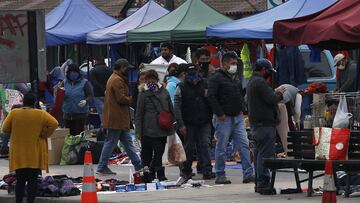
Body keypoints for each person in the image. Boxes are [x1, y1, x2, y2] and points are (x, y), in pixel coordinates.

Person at [2, 93, 58, 203]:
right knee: (32, 180)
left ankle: (18, 201)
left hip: (19, 153)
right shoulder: (41, 114)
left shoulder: (14, 113)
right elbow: (54, 123)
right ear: (35, 103)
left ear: (23, 101)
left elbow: (5, 129)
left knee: (20, 180)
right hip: (34, 153)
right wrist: (44, 133)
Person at [208, 52, 254, 184]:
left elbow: (239, 94)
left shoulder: (235, 77)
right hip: (223, 118)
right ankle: (220, 174)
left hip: (237, 116)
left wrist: (242, 109)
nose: (235, 65)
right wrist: (219, 113)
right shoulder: (216, 78)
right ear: (225, 63)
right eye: (232, 63)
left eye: (235, 63)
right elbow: (211, 96)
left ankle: (248, 174)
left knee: (244, 145)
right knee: (221, 147)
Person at [97, 59, 142, 175]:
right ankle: (102, 167)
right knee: (111, 142)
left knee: (127, 143)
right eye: (127, 68)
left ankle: (138, 165)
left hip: (118, 117)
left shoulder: (114, 78)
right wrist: (133, 99)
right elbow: (121, 98)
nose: (128, 70)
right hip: (116, 117)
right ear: (122, 67)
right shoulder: (117, 80)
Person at [247, 58, 285, 195]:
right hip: (265, 125)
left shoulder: (252, 82)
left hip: (257, 125)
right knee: (264, 155)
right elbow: (272, 99)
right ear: (263, 70)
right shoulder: (260, 82)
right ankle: (263, 184)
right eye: (268, 71)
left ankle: (259, 183)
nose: (269, 73)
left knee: (258, 154)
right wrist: (279, 92)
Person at [174, 66, 214, 180]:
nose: (194, 79)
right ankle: (186, 171)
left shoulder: (205, 83)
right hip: (188, 123)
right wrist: (181, 124)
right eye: (190, 75)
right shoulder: (180, 87)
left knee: (205, 145)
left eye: (195, 75)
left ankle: (207, 170)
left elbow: (212, 101)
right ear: (186, 75)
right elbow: (177, 107)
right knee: (189, 148)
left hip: (204, 121)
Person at [135, 70, 174, 181]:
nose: (151, 80)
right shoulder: (143, 94)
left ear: (157, 79)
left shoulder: (164, 91)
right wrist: (138, 131)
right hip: (147, 129)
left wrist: (174, 123)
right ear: (146, 80)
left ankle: (154, 171)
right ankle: (150, 174)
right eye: (148, 78)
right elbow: (139, 114)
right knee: (147, 153)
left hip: (163, 127)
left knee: (159, 152)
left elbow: (170, 108)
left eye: (153, 78)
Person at [61, 64, 93, 136]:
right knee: (69, 137)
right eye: (71, 73)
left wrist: (86, 101)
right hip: (67, 114)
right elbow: (58, 95)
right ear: (68, 74)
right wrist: (61, 94)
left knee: (79, 135)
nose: (73, 75)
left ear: (78, 73)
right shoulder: (64, 82)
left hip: (81, 114)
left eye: (75, 73)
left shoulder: (84, 82)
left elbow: (90, 95)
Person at [89, 57, 112, 124]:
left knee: (101, 113)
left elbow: (93, 82)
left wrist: (101, 89)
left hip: (97, 94)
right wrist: (105, 89)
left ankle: (104, 128)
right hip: (108, 94)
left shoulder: (93, 71)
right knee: (109, 112)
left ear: (96, 62)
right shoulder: (110, 70)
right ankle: (110, 127)